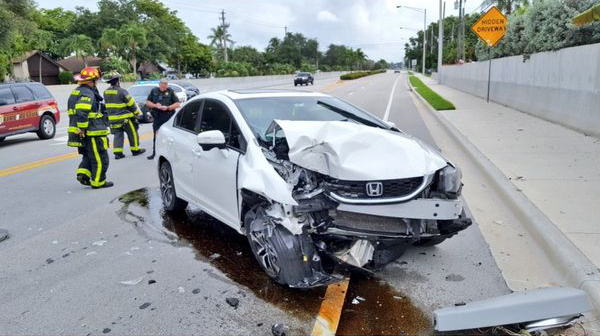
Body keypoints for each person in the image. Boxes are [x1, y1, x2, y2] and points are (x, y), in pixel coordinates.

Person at [67, 66, 113, 189]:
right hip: (92, 132)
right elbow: (82, 112)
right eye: (96, 80)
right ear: (92, 81)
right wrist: (82, 129)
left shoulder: (77, 91)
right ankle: (98, 182)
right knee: (100, 158)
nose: (97, 83)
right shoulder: (87, 93)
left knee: (88, 155)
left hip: (85, 133)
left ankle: (83, 174)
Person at [102, 71, 146, 159]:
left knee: (118, 135)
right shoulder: (122, 91)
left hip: (113, 120)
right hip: (125, 119)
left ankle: (118, 153)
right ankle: (135, 150)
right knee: (133, 134)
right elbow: (131, 104)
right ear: (118, 80)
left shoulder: (105, 92)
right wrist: (137, 114)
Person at [145, 79, 180, 160]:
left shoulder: (171, 91)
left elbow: (177, 104)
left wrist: (168, 107)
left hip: (168, 117)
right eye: (161, 86)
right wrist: (155, 105)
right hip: (157, 117)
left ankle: (172, 154)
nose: (163, 88)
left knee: (170, 137)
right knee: (156, 136)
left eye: (164, 87)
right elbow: (147, 102)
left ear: (167, 85)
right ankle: (155, 153)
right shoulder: (154, 91)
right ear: (159, 85)